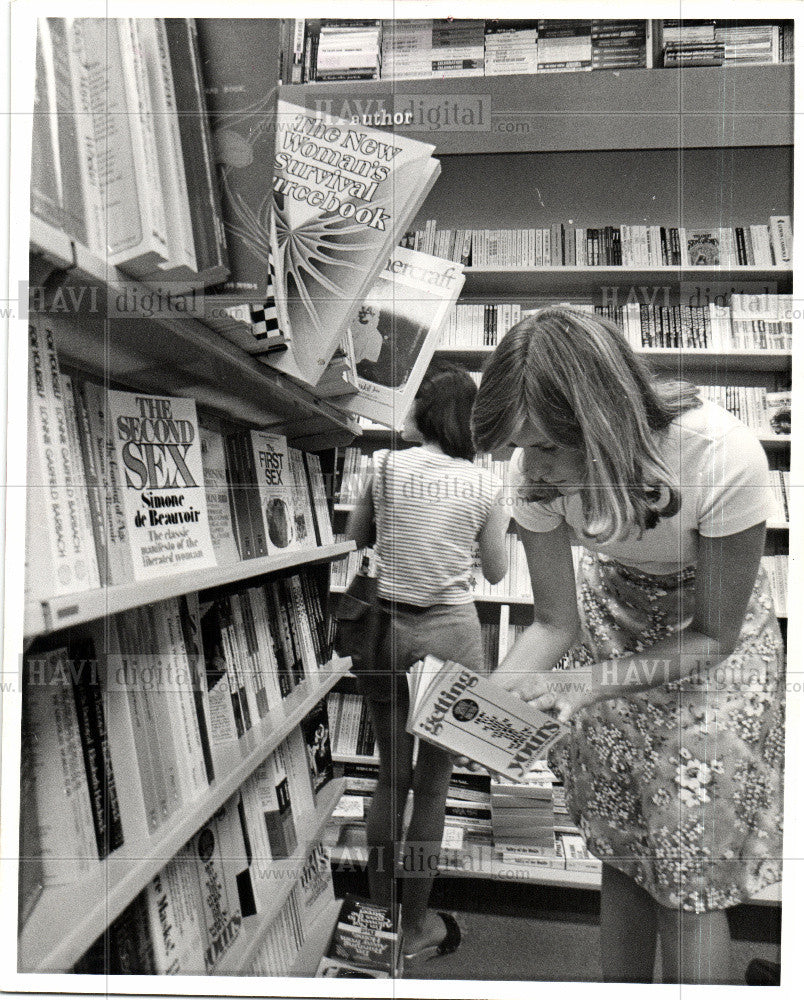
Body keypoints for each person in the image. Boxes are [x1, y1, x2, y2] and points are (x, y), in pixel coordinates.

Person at [471, 306, 785, 985]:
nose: (532, 467)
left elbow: (714, 634)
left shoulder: (717, 453)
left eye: (549, 445)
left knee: (688, 867)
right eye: (520, 446)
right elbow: (555, 622)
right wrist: (482, 708)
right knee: (622, 844)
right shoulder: (536, 475)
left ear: (603, 416)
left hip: (712, 650)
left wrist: (582, 685)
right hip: (612, 617)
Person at [346, 363, 509, 964]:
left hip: (387, 626)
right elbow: (493, 571)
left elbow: (359, 535)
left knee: (391, 778)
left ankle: (378, 919)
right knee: (434, 789)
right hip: (452, 635)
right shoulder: (486, 485)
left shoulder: (384, 467)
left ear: (424, 415)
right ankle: (416, 927)